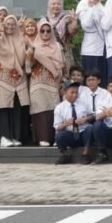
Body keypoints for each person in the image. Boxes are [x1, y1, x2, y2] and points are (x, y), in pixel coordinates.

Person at [0, 15, 32, 148]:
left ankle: (15, 136)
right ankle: (4, 137)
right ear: (3, 25)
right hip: (2, 78)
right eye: (7, 24)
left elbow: (31, 50)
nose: (10, 27)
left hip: (19, 80)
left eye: (13, 24)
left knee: (17, 108)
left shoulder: (21, 38)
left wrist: (30, 51)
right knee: (3, 107)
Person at [28, 18, 65, 147]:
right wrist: (32, 54)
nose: (45, 33)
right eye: (42, 30)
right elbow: (27, 65)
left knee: (53, 109)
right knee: (40, 108)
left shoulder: (57, 47)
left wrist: (62, 81)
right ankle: (42, 138)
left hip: (53, 82)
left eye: (48, 31)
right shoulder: (34, 46)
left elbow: (63, 66)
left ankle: (54, 137)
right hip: (37, 81)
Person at [53, 83, 93, 165]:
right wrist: (65, 124)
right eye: (72, 92)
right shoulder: (59, 107)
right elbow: (57, 127)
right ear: (65, 92)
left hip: (83, 133)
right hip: (70, 134)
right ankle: (65, 155)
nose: (74, 95)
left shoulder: (84, 104)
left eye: (76, 93)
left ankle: (85, 154)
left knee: (90, 129)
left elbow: (93, 115)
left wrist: (85, 119)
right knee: (59, 136)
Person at [76, 0, 106, 84]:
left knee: (101, 77)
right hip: (90, 48)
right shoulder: (83, 7)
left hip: (102, 46)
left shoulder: (101, 8)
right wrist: (91, 8)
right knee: (90, 76)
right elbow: (86, 25)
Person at [43, 0, 78, 73]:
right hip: (48, 52)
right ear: (49, 6)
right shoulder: (44, 20)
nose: (56, 6)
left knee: (65, 74)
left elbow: (72, 31)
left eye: (58, 4)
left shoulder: (66, 19)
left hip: (63, 52)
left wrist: (74, 21)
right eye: (53, 4)